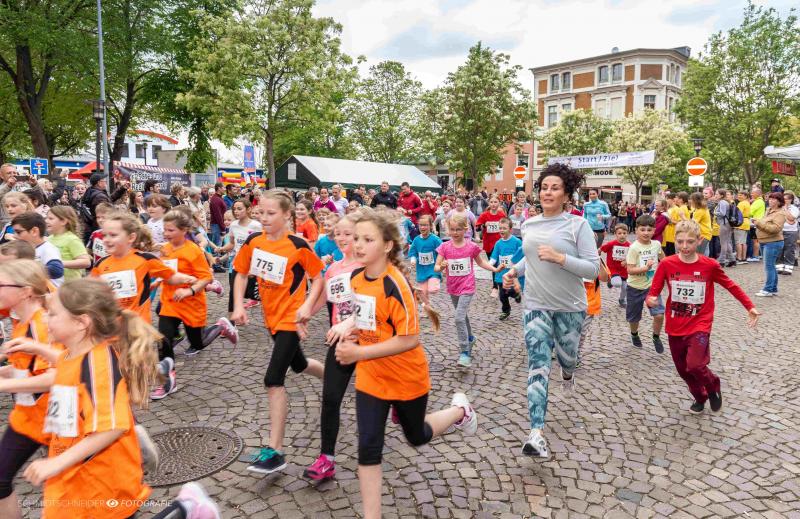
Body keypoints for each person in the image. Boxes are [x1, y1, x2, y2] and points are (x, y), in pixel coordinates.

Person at [325, 207, 476, 519]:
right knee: (368, 446)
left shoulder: (396, 285)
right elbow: (367, 316)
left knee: (416, 436)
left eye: (368, 239)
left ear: (387, 246)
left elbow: (409, 339)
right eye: (356, 238)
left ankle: (460, 411)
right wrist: (348, 326)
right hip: (371, 377)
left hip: (406, 376)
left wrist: (358, 354)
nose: (358, 245)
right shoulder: (355, 278)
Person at [19, 278, 154, 518]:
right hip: (74, 479)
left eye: (53, 314)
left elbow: (111, 427)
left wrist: (57, 463)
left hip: (103, 486)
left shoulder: (97, 364)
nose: (45, 319)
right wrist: (38, 349)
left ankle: (185, 509)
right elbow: (68, 370)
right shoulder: (72, 355)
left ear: (81, 323)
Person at [501, 163, 599, 459]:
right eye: (544, 187)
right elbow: (530, 258)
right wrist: (514, 271)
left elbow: (593, 269)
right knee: (538, 365)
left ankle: (568, 374)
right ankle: (536, 433)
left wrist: (560, 258)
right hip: (536, 305)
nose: (548, 192)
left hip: (570, 307)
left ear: (566, 195)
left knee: (568, 358)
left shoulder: (578, 225)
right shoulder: (529, 224)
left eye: (555, 188)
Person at [230, 190, 325, 475]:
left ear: (287, 215)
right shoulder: (254, 241)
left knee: (273, 379)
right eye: (261, 212)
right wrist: (238, 305)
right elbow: (241, 273)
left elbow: (318, 278)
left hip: (290, 320)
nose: (264, 218)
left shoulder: (298, 245)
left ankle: (276, 451)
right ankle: (334, 379)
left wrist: (307, 306)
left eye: (271, 213)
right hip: (271, 319)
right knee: (300, 364)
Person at [646, 220, 760, 414]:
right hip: (675, 324)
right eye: (680, 241)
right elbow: (653, 292)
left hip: (700, 322)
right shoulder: (666, 264)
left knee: (695, 364)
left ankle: (713, 384)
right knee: (683, 370)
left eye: (690, 242)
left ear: (699, 240)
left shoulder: (709, 265)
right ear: (674, 240)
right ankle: (700, 396)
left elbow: (731, 285)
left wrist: (750, 306)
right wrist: (650, 300)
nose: (684, 246)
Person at [302, 213, 362, 481]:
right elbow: (324, 296)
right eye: (338, 234)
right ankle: (326, 458)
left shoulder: (367, 265)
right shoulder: (334, 269)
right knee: (330, 397)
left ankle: (399, 401)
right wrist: (304, 315)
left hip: (371, 340)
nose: (341, 238)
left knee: (388, 394)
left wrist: (350, 322)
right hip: (342, 340)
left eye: (347, 233)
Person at [0, 260, 60, 519]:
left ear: (25, 291)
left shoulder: (43, 324)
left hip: (56, 421)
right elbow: (26, 368)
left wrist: (5, 384)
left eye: (1, 284)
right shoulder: (22, 323)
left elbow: (58, 376)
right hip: (27, 418)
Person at [151, 210, 214, 400]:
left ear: (184, 230)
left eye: (170, 230)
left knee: (197, 343)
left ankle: (221, 326)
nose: (166, 234)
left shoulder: (193, 250)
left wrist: (189, 291)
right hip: (170, 303)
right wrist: (158, 281)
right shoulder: (165, 249)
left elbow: (206, 277)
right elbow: (167, 271)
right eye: (165, 230)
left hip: (192, 304)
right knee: (163, 339)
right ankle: (168, 382)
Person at [90, 212, 196, 320]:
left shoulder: (145, 259)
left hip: (138, 324)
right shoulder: (100, 264)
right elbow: (92, 292)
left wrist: (187, 278)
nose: (106, 239)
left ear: (131, 237)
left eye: (113, 235)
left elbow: (170, 276)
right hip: (111, 325)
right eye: (104, 235)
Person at [434, 214, 495, 368]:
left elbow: (481, 263)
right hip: (453, 287)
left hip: (467, 286)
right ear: (448, 230)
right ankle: (470, 338)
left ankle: (464, 352)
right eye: (452, 229)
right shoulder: (444, 247)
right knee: (463, 316)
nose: (455, 233)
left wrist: (495, 269)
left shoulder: (471, 247)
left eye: (458, 229)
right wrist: (441, 267)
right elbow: (436, 266)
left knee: (458, 318)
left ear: (465, 229)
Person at [624, 214, 665, 353]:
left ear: (654, 230)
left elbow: (663, 258)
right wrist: (645, 268)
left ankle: (656, 337)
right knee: (634, 317)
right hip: (634, 287)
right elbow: (630, 270)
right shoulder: (634, 248)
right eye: (642, 229)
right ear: (636, 230)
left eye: (649, 230)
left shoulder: (656, 244)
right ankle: (634, 334)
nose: (646, 233)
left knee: (659, 314)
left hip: (652, 287)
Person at [11, 212, 65, 286]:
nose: (14, 236)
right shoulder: (26, 249)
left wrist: (24, 270)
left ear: (34, 231)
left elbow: (57, 270)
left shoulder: (47, 249)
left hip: (49, 292)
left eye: (18, 232)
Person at [753, 192, 787, 297]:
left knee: (769, 266)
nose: (770, 200)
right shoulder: (768, 210)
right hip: (765, 241)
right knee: (771, 266)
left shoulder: (780, 213)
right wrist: (758, 222)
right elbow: (766, 223)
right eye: (770, 198)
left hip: (773, 243)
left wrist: (758, 223)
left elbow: (775, 229)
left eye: (773, 199)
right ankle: (773, 288)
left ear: (779, 202)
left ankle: (767, 289)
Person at [489, 218, 523, 320]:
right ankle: (506, 310)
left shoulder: (517, 242)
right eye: (500, 228)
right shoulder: (498, 243)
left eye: (504, 228)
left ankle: (516, 294)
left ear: (510, 229)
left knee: (511, 290)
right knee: (502, 295)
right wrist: (489, 265)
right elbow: (494, 258)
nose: (502, 230)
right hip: (501, 274)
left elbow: (522, 256)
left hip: (513, 273)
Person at [45, 206, 91, 281]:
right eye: (46, 218)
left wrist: (60, 264)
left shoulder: (72, 239)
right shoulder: (49, 239)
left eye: (51, 218)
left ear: (63, 221)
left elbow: (86, 262)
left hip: (70, 284)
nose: (46, 221)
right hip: (54, 284)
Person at [407, 215, 442, 311]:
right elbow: (413, 252)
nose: (422, 227)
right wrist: (413, 259)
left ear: (430, 226)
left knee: (432, 289)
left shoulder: (435, 239)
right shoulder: (416, 240)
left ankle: (437, 281)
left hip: (433, 269)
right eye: (421, 225)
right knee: (423, 292)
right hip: (421, 270)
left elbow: (442, 251)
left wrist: (441, 264)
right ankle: (428, 307)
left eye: (425, 225)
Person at [475, 195, 507, 296]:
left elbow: (506, 226)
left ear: (499, 203)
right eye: (492, 202)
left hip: (499, 243)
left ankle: (495, 286)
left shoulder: (501, 214)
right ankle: (497, 285)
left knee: (498, 263)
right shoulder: (484, 215)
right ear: (489, 203)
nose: (493, 204)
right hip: (488, 243)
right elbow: (477, 228)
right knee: (493, 265)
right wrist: (484, 225)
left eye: (495, 202)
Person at [599, 223, 630, 307]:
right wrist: (597, 253)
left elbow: (633, 256)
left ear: (627, 234)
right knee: (617, 283)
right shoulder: (611, 244)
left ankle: (622, 299)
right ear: (615, 234)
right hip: (613, 269)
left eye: (624, 233)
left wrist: (627, 261)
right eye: (619, 233)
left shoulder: (629, 245)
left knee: (625, 288)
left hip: (624, 270)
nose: (622, 235)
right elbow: (601, 248)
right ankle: (611, 280)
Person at [79, 173, 112, 242]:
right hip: (98, 229)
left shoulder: (92, 191)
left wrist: (121, 190)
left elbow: (109, 200)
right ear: (99, 183)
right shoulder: (99, 196)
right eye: (104, 181)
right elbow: (102, 214)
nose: (106, 183)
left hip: (90, 228)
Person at [777, 191, 799, 275]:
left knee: (789, 250)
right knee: (779, 250)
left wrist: (785, 210)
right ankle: (779, 267)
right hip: (780, 230)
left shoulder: (794, 208)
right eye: (783, 199)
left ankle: (788, 268)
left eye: (786, 199)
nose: (784, 200)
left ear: (790, 200)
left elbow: (791, 218)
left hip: (791, 231)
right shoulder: (779, 207)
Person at [713, 189, 735, 267]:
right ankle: (732, 260)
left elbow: (722, 213)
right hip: (727, 224)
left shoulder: (722, 202)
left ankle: (721, 261)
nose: (715, 195)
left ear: (721, 195)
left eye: (717, 194)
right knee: (727, 242)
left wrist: (714, 212)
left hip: (724, 224)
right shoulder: (725, 202)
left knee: (723, 243)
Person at [664, 192, 690, 257]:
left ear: (681, 199)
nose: (675, 199)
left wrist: (669, 220)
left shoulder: (681, 208)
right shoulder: (681, 207)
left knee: (672, 255)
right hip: (670, 235)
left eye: (676, 197)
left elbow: (681, 222)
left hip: (673, 235)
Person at [748, 187, 765, 262]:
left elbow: (750, 212)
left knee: (755, 241)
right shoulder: (759, 201)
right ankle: (757, 255)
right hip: (757, 222)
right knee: (756, 240)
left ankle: (755, 256)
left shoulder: (758, 202)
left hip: (755, 223)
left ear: (758, 194)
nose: (751, 194)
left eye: (753, 193)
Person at [734, 192, 751, 264]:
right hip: (746, 222)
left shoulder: (741, 203)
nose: (739, 196)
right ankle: (744, 258)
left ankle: (739, 258)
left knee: (738, 242)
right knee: (743, 242)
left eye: (741, 195)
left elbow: (737, 214)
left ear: (745, 196)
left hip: (740, 223)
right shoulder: (747, 203)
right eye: (738, 195)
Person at [0, 163, 17, 228]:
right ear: (2, 176)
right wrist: (8, 186)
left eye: (14, 173)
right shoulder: (2, 188)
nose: (13, 175)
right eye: (9, 173)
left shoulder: (22, 186)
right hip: (7, 225)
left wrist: (34, 185)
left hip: (22, 222)